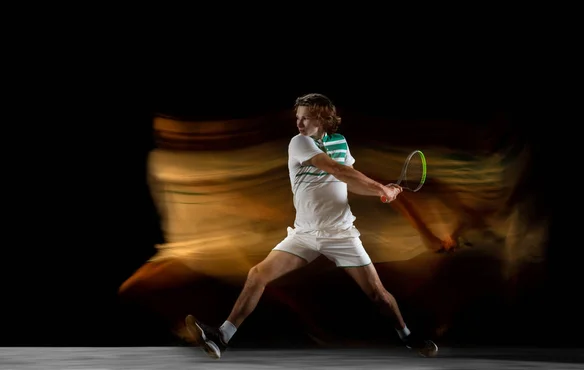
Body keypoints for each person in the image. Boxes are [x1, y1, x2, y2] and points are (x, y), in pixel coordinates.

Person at [181, 93, 439, 359]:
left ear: (323, 118)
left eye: (306, 117)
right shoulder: (299, 142)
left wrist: (381, 193)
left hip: (341, 233)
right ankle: (222, 336)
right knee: (258, 274)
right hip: (304, 234)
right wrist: (381, 187)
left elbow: (350, 181)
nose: (299, 123)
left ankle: (408, 337)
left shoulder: (340, 142)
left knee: (378, 294)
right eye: (298, 117)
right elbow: (337, 170)